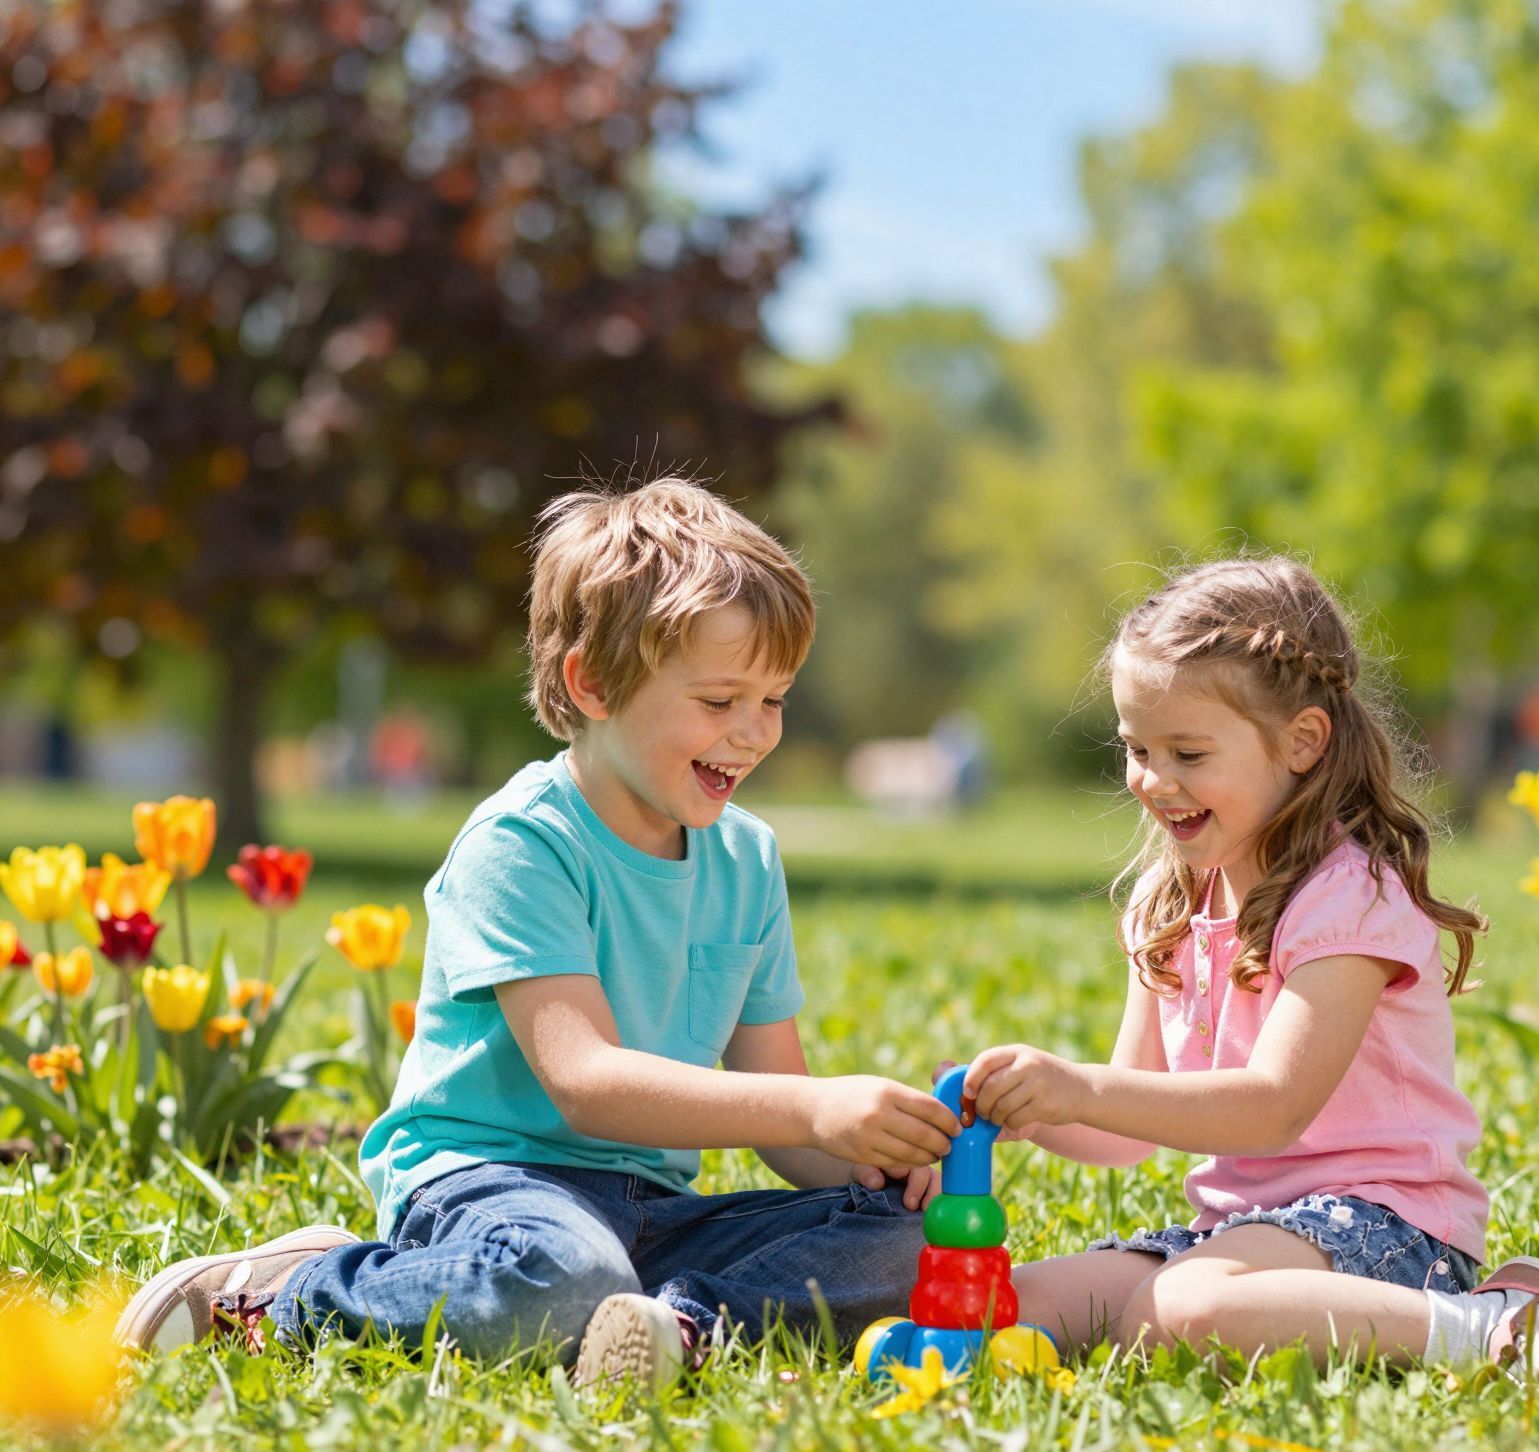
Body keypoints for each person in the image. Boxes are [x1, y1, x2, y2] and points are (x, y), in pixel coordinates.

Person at [116, 478, 960, 1391]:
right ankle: (290, 1291)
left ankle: (677, 1325)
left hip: (651, 1213)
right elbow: (586, 1083)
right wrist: (812, 1109)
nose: (754, 734)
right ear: (592, 683)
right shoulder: (523, 841)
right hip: (490, 1183)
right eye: (721, 701)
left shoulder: (745, 860)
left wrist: (874, 1158)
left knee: (912, 1244)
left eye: (775, 700)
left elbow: (785, 1114)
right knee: (564, 1276)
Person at [963, 558, 1539, 1378]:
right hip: (1239, 1232)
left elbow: (1271, 1109)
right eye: (1137, 748)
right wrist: (1018, 1108)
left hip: (1388, 1228)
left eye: (1188, 753)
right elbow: (1120, 1131)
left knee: (1178, 1316)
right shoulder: (1169, 903)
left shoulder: (1350, 897)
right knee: (1005, 1305)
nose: (1153, 781)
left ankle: (1504, 1329)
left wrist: (1080, 1088)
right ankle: (1245, 1300)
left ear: (1301, 743)